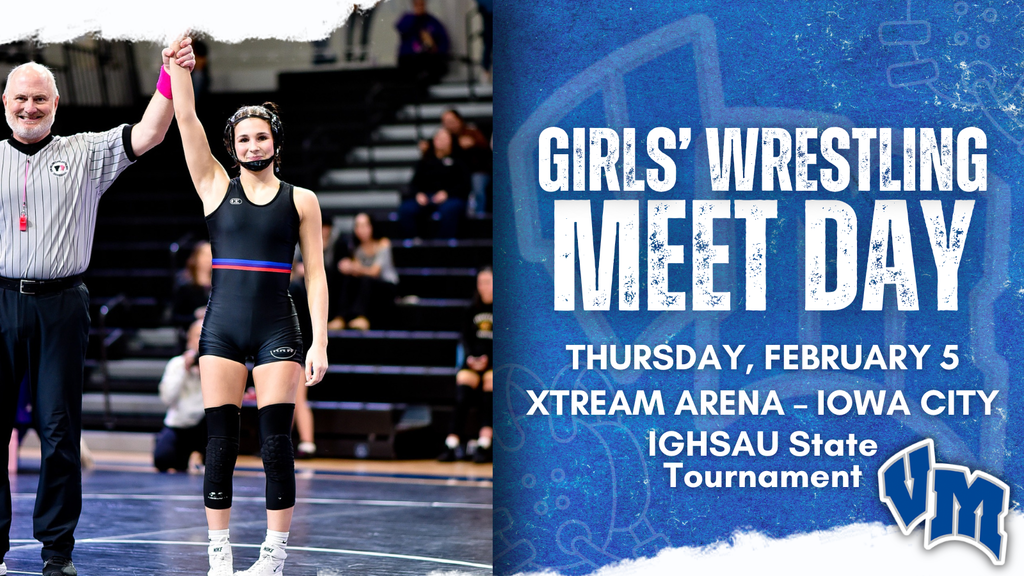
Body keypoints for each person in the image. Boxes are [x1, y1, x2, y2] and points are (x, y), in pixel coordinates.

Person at [0, 41, 196, 576]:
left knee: (60, 430)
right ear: (4, 101)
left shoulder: (85, 152)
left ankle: (56, 552)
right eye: (20, 99)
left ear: (56, 103)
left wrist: (167, 73)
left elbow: (152, 132)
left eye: (39, 99)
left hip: (62, 304)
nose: (29, 108)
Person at [167, 36, 328, 576]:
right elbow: (185, 118)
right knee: (221, 440)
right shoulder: (214, 185)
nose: (253, 145)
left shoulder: (301, 200)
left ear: (275, 142)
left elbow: (317, 277)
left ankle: (273, 557)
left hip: (278, 327)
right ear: (232, 145)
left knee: (276, 441)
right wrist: (177, 66)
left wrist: (320, 342)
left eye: (261, 137)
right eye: (244, 138)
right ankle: (220, 557)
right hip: (223, 330)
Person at [439, 267, 493, 463]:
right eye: (481, 283)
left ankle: (485, 442)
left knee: (491, 386)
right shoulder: (471, 309)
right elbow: (465, 339)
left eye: (488, 282)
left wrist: (489, 360)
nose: (484, 287)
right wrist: (471, 358)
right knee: (463, 389)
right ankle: (452, 442)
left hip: (494, 362)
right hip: (473, 361)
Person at [328, 212, 398, 331]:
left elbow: (375, 272)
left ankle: (362, 316)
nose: (361, 230)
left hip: (386, 284)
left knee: (365, 280)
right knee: (347, 279)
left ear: (372, 226)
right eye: (358, 226)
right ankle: (341, 317)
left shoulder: (383, 243)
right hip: (367, 285)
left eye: (365, 225)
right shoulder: (356, 248)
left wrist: (355, 268)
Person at [154, 319, 207, 473]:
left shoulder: (215, 368)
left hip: (204, 426)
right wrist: (184, 370)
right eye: (198, 336)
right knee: (162, 459)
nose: (201, 340)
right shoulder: (176, 364)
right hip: (180, 424)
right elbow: (167, 398)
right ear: (189, 340)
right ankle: (186, 457)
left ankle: (201, 456)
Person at [399, 127, 470, 239]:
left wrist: (447, 193)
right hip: (427, 196)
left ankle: (443, 244)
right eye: (439, 138)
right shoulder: (425, 161)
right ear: (434, 141)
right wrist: (418, 194)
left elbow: (465, 185)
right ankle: (414, 241)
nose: (441, 141)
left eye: (445, 138)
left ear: (451, 141)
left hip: (450, 197)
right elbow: (414, 183)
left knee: (450, 209)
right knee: (406, 209)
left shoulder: (458, 161)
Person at [440, 109, 491, 216]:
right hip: (456, 172)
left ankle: (479, 215)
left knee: (477, 187)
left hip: (477, 170)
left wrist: (474, 143)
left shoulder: (471, 132)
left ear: (459, 120)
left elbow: (486, 148)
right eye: (446, 122)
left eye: (451, 121)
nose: (449, 125)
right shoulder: (446, 136)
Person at [395, 0, 450, 85]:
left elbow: (443, 39)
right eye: (417, 4)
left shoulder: (432, 21)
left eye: (422, 4)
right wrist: (414, 16)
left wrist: (436, 49)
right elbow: (401, 28)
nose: (420, 7)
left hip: (427, 58)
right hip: (410, 58)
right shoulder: (408, 18)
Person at [170, 240, 213, 329]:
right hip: (192, 330)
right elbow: (175, 317)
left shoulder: (219, 286)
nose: (209, 259)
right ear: (197, 257)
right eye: (205, 255)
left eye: (211, 255)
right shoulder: (186, 287)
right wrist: (196, 315)